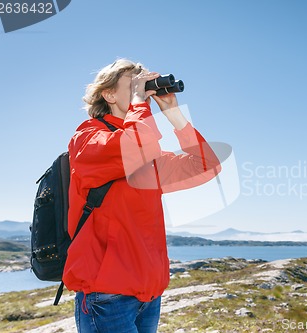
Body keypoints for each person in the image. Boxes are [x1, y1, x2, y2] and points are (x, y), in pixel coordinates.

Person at [63, 59, 221, 333]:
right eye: (134, 84)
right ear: (109, 94)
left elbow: (206, 165)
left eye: (144, 84)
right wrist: (139, 101)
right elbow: (135, 145)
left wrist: (173, 113)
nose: (144, 91)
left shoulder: (148, 156)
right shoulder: (88, 138)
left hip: (148, 294)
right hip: (107, 295)